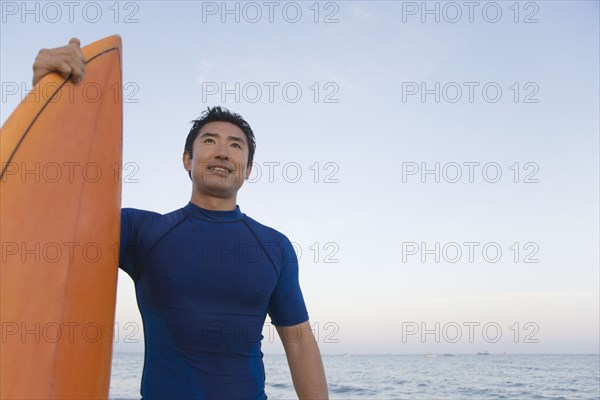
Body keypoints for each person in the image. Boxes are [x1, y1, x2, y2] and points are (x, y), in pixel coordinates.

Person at [32, 38, 328, 400]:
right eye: (209, 141)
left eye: (236, 146)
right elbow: (55, 214)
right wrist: (48, 97)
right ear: (187, 159)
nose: (222, 151)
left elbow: (299, 344)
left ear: (248, 169)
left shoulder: (274, 247)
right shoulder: (141, 232)